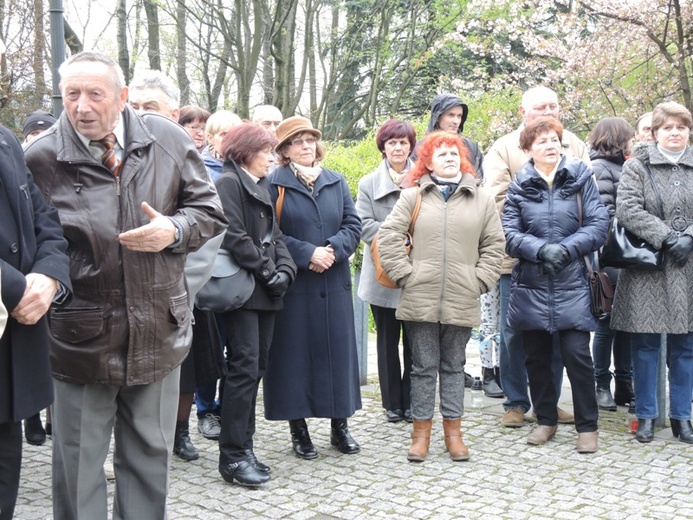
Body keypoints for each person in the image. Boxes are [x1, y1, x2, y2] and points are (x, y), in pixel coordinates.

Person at [24, 51, 227, 519]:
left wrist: (173, 231)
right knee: (76, 468)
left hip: (158, 330)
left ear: (122, 97)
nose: (82, 107)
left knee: (148, 461)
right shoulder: (40, 157)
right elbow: (26, 243)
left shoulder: (168, 138)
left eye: (95, 94)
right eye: (71, 94)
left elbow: (210, 213)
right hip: (78, 338)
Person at [377, 131, 504, 462]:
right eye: (441, 153)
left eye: (454, 152)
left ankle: (454, 435)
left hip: (463, 295)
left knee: (453, 366)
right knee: (422, 367)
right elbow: (388, 236)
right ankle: (420, 435)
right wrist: (406, 275)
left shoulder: (482, 199)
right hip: (420, 297)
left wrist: (480, 280)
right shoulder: (413, 196)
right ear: (427, 162)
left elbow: (494, 245)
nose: (449, 157)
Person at [128, 70, 225, 462]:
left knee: (177, 378)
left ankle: (171, 437)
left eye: (149, 107)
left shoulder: (186, 159)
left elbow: (209, 230)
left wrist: (175, 290)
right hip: (118, 303)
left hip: (175, 298)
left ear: (173, 111)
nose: (140, 116)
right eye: (133, 107)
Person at [484, 85, 590, 428]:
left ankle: (549, 401)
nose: (548, 111)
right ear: (522, 111)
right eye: (540, 106)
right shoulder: (503, 148)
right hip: (518, 260)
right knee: (515, 332)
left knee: (559, 334)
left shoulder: (573, 143)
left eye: (553, 105)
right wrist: (538, 243)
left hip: (566, 262)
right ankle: (515, 401)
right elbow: (498, 202)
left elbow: (587, 198)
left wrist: (565, 245)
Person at [502, 116, 608, 453]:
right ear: (528, 149)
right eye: (542, 141)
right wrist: (539, 249)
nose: (550, 146)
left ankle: (587, 426)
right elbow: (508, 232)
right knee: (536, 357)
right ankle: (545, 420)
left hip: (573, 281)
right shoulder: (520, 184)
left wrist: (564, 249)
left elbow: (598, 224)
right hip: (531, 283)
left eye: (555, 140)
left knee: (578, 355)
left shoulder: (580, 177)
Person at [0, 38, 71, 516]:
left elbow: (44, 219)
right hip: (13, 299)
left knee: (6, 460)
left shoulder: (6, 138)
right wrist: (17, 286)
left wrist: (47, 278)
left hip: (13, 337)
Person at [264, 116, 363, 460]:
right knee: (295, 358)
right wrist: (307, 253)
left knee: (337, 356)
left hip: (333, 282)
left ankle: (340, 427)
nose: (306, 146)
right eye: (297, 141)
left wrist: (334, 250)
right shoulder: (271, 184)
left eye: (310, 140)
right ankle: (299, 431)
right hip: (296, 285)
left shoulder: (336, 181)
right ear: (284, 151)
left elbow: (353, 223)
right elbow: (268, 233)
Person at [214, 123, 297, 486]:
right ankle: (231, 457)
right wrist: (268, 272)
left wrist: (286, 271)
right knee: (243, 368)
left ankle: (245, 448)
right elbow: (233, 234)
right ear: (246, 150)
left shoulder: (260, 184)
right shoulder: (229, 183)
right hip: (244, 291)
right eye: (266, 151)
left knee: (256, 368)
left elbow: (275, 236)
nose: (272, 157)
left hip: (264, 292)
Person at [610, 101, 693, 444]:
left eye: (681, 127)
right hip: (649, 267)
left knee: (685, 347)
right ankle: (645, 415)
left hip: (688, 268)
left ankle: (682, 418)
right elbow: (627, 208)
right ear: (656, 132)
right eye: (667, 128)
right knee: (644, 346)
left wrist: (689, 237)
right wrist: (668, 237)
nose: (675, 133)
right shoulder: (637, 166)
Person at [355, 119, 416, 423]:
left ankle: (412, 399)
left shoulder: (425, 180)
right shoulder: (368, 183)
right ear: (383, 147)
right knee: (387, 340)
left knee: (416, 341)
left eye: (403, 142)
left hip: (417, 273)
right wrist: (399, 235)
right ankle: (392, 403)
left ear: (411, 146)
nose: (398, 148)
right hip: (382, 273)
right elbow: (363, 226)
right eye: (392, 142)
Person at [587, 117, 635, 411]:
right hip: (611, 255)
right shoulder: (601, 168)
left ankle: (624, 384)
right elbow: (605, 214)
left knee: (627, 325)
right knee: (606, 324)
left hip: (628, 257)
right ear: (617, 140)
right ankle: (601, 384)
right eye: (627, 138)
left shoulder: (624, 167)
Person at [20, 107, 61, 446]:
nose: (39, 137)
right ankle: (31, 416)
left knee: (51, 353)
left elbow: (47, 219)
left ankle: (49, 417)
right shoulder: (16, 160)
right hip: (20, 280)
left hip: (48, 274)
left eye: (45, 130)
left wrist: (50, 270)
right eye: (33, 132)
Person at [419, 93, 484, 179]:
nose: (456, 121)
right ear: (438, 117)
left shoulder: (470, 147)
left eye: (459, 116)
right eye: (451, 115)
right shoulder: (421, 147)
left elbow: (478, 180)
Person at [203, 110, 243, 181]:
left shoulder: (248, 165)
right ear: (210, 138)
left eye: (235, 134)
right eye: (224, 134)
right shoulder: (201, 172)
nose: (230, 138)